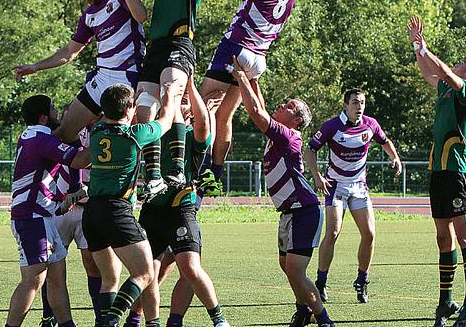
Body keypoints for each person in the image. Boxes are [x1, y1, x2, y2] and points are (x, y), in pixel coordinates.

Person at [197, 0, 311, 194]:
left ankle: (199, 169)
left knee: (204, 109)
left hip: (236, 49)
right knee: (225, 116)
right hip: (258, 60)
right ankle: (215, 172)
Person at [230, 62, 335, 327]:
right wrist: (253, 79)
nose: (283, 106)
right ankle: (303, 311)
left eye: (289, 106)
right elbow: (261, 107)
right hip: (289, 213)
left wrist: (241, 77)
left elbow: (255, 111)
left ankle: (324, 320)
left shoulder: (289, 136)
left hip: (304, 211)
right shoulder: (280, 132)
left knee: (296, 272)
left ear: (297, 120)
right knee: (286, 267)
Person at [118, 0, 208, 194]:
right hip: (155, 48)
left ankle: (177, 171)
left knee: (171, 94)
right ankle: (154, 175)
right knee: (144, 106)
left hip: (179, 45)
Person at [82, 82, 183, 327]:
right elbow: (167, 121)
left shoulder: (96, 132)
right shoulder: (134, 134)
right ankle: (113, 320)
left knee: (109, 279)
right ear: (129, 110)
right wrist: (169, 95)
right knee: (146, 273)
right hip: (116, 211)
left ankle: (106, 320)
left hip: (92, 212)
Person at [408, 16, 466, 327]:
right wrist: (418, 48)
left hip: (457, 171)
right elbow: (429, 72)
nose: (454, 65)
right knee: (443, 237)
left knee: (465, 235)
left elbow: (438, 68)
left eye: (460, 63)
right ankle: (446, 300)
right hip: (438, 171)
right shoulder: (445, 90)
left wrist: (426, 49)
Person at [13, 0, 147, 143]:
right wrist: (35, 67)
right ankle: (58, 171)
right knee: (64, 135)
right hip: (101, 78)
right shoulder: (88, 16)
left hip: (126, 78)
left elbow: (141, 16)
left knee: (124, 140)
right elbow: (69, 52)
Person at [136, 77, 229, 327]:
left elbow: (203, 123)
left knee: (190, 267)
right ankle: (145, 321)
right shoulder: (155, 129)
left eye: (185, 100)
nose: (180, 102)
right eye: (178, 99)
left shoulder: (194, 136)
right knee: (148, 274)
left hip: (180, 209)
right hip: (152, 210)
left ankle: (218, 319)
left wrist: (187, 86)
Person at [303, 89, 402, 304]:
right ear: (345, 105)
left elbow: (385, 141)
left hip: (359, 187)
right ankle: (321, 282)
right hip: (336, 186)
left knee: (369, 234)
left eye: (363, 103)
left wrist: (395, 158)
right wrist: (317, 176)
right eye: (355, 102)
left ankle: (362, 280)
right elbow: (309, 150)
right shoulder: (332, 126)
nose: (359, 107)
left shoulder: (370, 124)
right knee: (333, 232)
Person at [5, 95, 91, 327]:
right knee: (33, 281)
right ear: (44, 116)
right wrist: (110, 139)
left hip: (43, 216)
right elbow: (81, 160)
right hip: (32, 218)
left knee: (56, 278)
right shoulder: (41, 139)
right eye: (53, 109)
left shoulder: (32, 135)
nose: (56, 112)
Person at [39, 115, 111, 327]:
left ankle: (101, 318)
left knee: (92, 263)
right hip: (61, 205)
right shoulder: (70, 127)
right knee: (51, 264)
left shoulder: (107, 129)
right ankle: (47, 317)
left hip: (90, 207)